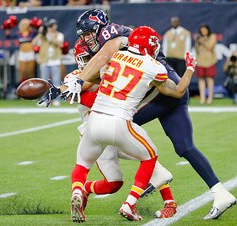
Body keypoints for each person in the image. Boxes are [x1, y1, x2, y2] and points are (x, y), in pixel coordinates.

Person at [43, 9, 236, 220]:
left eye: (89, 34)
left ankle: (154, 183)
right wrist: (61, 88)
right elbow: (102, 74)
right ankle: (219, 192)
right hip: (172, 89)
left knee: (115, 124)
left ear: (101, 28)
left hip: (159, 89)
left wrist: (76, 81)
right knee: (184, 147)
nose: (87, 39)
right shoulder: (118, 48)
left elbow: (105, 57)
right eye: (84, 36)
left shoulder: (113, 36)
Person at [69, 26, 197, 222]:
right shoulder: (104, 66)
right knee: (148, 157)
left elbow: (97, 74)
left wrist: (62, 87)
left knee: (96, 169)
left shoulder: (108, 63)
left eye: (91, 58)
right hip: (114, 124)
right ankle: (133, 203)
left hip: (94, 128)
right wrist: (189, 68)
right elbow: (176, 90)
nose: (90, 63)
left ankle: (80, 190)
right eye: (86, 59)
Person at [32, 18, 64, 106]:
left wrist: (49, 35)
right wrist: (40, 33)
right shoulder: (42, 36)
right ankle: (44, 100)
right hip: (44, 61)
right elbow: (33, 43)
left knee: (56, 82)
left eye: (52, 25)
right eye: (49, 26)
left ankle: (57, 99)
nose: (51, 27)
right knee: (44, 83)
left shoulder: (59, 35)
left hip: (55, 61)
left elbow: (60, 44)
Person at [194, 24, 217, 105]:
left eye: (205, 30)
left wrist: (202, 41)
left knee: (209, 79)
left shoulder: (212, 36)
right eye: (202, 30)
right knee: (201, 79)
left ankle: (210, 98)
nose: (203, 32)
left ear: (208, 30)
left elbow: (210, 47)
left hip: (209, 61)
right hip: (200, 61)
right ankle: (202, 98)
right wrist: (196, 41)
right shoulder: (199, 38)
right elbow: (197, 49)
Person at [17, 18, 37, 83]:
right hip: (22, 53)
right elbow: (9, 37)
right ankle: (23, 85)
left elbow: (40, 34)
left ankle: (32, 85)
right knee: (22, 71)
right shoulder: (18, 33)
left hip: (30, 52)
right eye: (23, 24)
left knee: (31, 71)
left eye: (26, 24)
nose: (25, 25)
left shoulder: (32, 33)